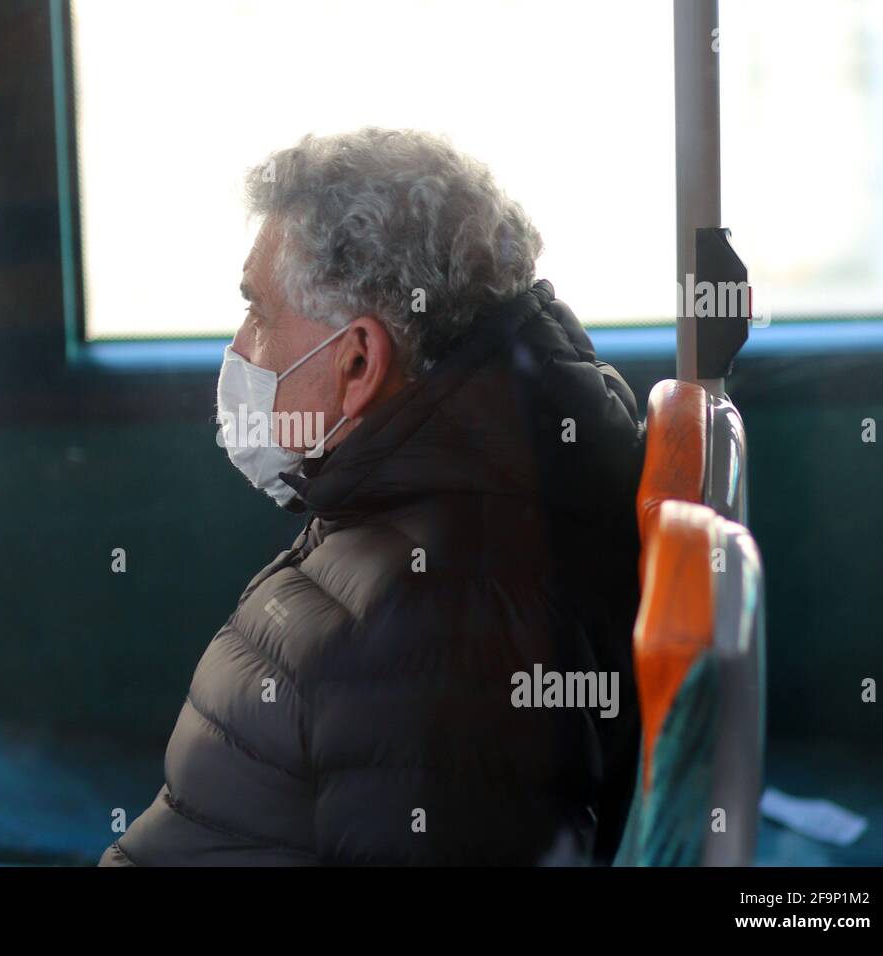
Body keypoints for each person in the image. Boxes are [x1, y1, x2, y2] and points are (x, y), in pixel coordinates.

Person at [100, 128, 645, 865]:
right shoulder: (419, 503)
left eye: (258, 316)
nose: (238, 350)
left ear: (358, 360)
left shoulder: (438, 617)